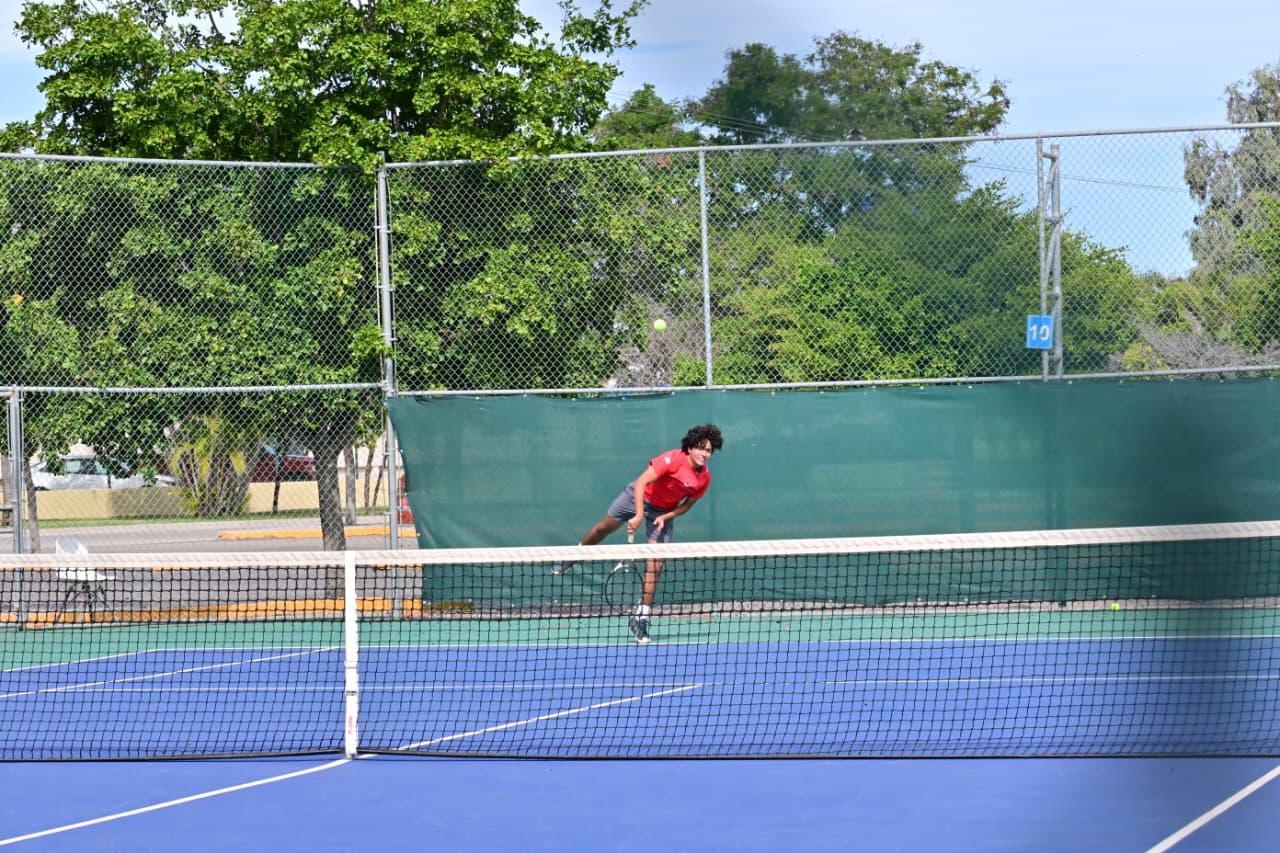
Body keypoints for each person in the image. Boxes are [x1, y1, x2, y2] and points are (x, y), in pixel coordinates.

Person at [552, 423, 724, 643]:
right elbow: (642, 481)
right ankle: (573, 555)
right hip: (637, 497)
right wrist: (640, 514)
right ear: (690, 447)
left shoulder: (704, 478)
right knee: (603, 528)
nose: (704, 454)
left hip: (662, 512)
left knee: (656, 565)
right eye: (701, 448)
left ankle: (641, 617)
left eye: (709, 450)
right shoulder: (672, 459)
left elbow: (687, 505)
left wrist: (665, 517)